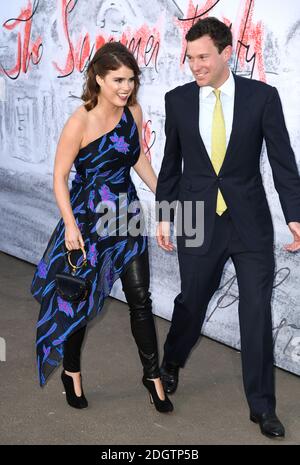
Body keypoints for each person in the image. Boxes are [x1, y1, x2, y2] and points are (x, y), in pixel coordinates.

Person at [156, 17, 300, 437]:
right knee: (193, 303)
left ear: (225, 52)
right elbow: (171, 164)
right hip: (198, 218)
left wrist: (295, 215)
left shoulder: (262, 98)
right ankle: (171, 361)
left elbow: (282, 162)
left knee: (255, 310)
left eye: (203, 57)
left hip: (250, 221)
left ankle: (262, 406)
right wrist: (164, 213)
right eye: (190, 57)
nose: (195, 65)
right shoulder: (178, 100)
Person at [31, 42, 173, 413]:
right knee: (80, 300)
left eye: (131, 79)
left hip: (125, 216)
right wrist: (69, 225)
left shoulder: (134, 111)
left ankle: (152, 376)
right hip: (89, 221)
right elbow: (60, 177)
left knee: (140, 300)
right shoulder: (81, 120)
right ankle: (72, 372)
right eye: (118, 80)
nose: (126, 87)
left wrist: (164, 192)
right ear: (98, 78)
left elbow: (136, 155)